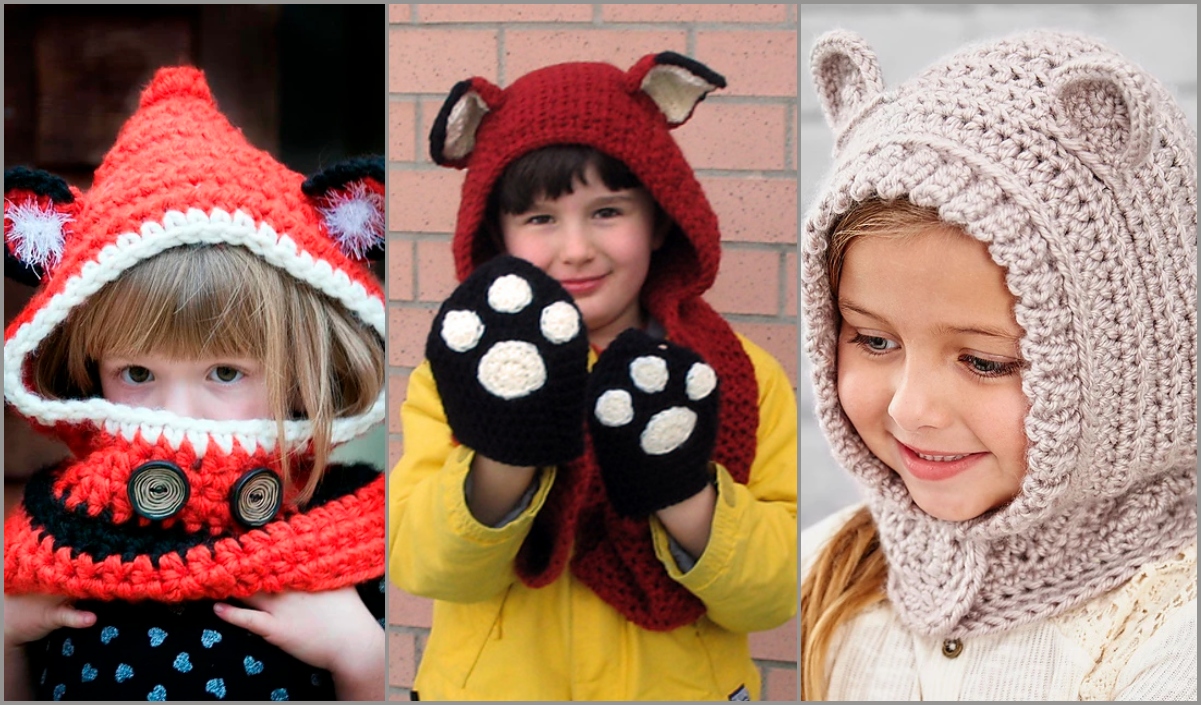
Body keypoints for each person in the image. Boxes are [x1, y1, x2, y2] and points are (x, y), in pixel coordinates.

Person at [799, 29, 1198, 700]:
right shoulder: (820, 570)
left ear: (1130, 366)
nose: (909, 409)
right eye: (872, 340)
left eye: (984, 361)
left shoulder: (1172, 630)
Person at [387, 53, 798, 700]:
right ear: (498, 231)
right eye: (540, 219)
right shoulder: (457, 374)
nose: (576, 248)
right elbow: (426, 564)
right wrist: (507, 448)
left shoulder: (739, 376)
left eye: (608, 211)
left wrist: (678, 483)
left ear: (660, 217)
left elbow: (771, 596)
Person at [3, 67, 388, 701]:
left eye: (226, 372)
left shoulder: (359, 544)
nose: (178, 412)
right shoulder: (47, 543)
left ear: (303, 369)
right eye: (137, 373)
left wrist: (362, 657)